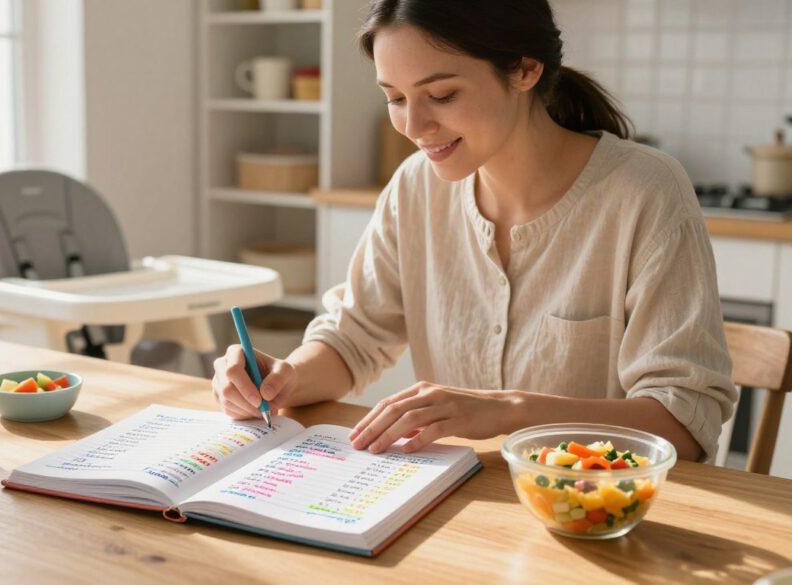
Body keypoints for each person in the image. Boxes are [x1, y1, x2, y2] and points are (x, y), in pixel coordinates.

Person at [211, 0, 736, 462]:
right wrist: (287, 377)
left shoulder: (645, 191)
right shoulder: (416, 186)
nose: (413, 127)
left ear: (524, 69)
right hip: (454, 506)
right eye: (395, 97)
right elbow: (354, 339)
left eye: (440, 94)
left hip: (596, 518)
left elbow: (684, 425)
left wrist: (509, 411)